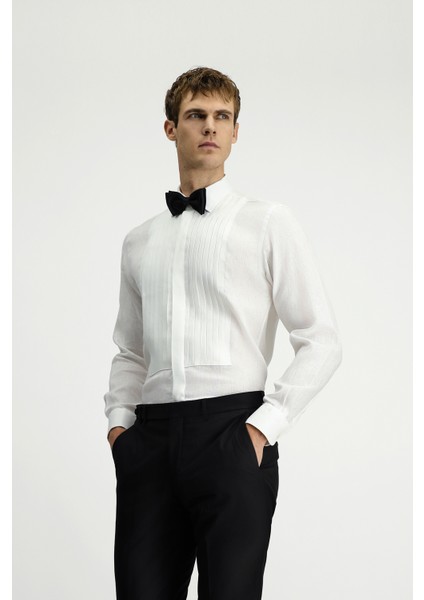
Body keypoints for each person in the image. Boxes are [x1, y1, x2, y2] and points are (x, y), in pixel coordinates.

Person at [104, 66, 342, 600]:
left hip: (232, 434)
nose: (209, 126)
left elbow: (321, 338)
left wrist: (261, 430)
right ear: (171, 128)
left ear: (235, 131)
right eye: (196, 115)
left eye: (222, 116)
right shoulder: (139, 240)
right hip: (150, 442)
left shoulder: (269, 221)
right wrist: (121, 429)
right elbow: (130, 350)